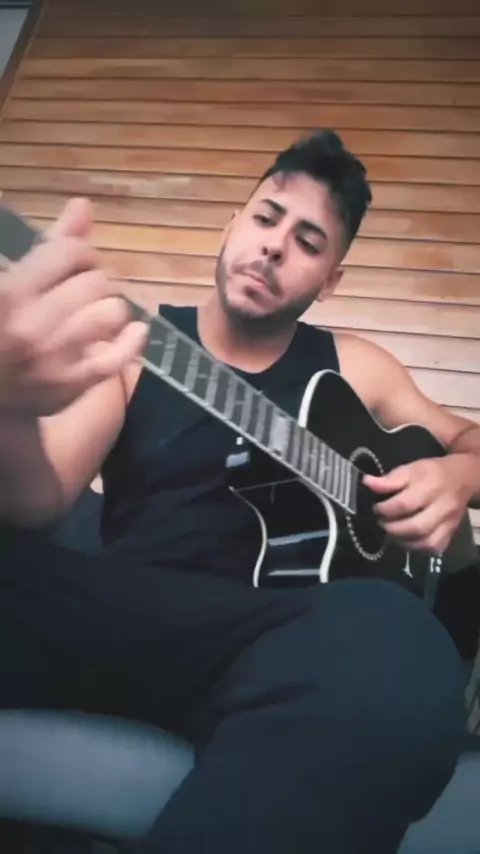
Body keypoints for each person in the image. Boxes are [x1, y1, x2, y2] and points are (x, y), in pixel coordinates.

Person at [0, 129, 479, 853]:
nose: (274, 246)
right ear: (232, 225)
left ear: (330, 280)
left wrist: (457, 475)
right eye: (265, 218)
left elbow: (467, 440)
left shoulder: (357, 366)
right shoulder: (138, 349)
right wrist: (9, 405)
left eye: (308, 241)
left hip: (281, 643)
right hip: (131, 620)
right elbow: (37, 500)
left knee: (400, 640)